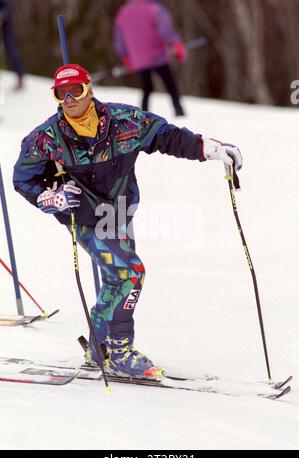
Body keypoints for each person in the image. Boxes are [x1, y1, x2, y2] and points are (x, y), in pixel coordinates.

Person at [13, 64, 242, 378]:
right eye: (60, 93)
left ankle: (97, 346)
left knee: (116, 280)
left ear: (89, 90)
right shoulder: (47, 136)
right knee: (131, 274)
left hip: (119, 210)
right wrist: (49, 198)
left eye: (75, 91)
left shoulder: (125, 121)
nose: (68, 99)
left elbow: (168, 137)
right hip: (84, 216)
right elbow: (22, 178)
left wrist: (211, 148)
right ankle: (120, 351)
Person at [114, 0, 187, 116]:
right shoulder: (153, 8)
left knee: (147, 88)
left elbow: (119, 38)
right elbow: (166, 28)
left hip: (138, 59)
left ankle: (143, 114)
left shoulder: (124, 12)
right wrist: (175, 43)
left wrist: (125, 56)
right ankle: (179, 111)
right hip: (157, 56)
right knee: (170, 85)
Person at [0, 0, 25, 90]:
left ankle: (20, 75)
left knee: (11, 52)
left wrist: (2, 14)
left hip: (6, 27)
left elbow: (8, 8)